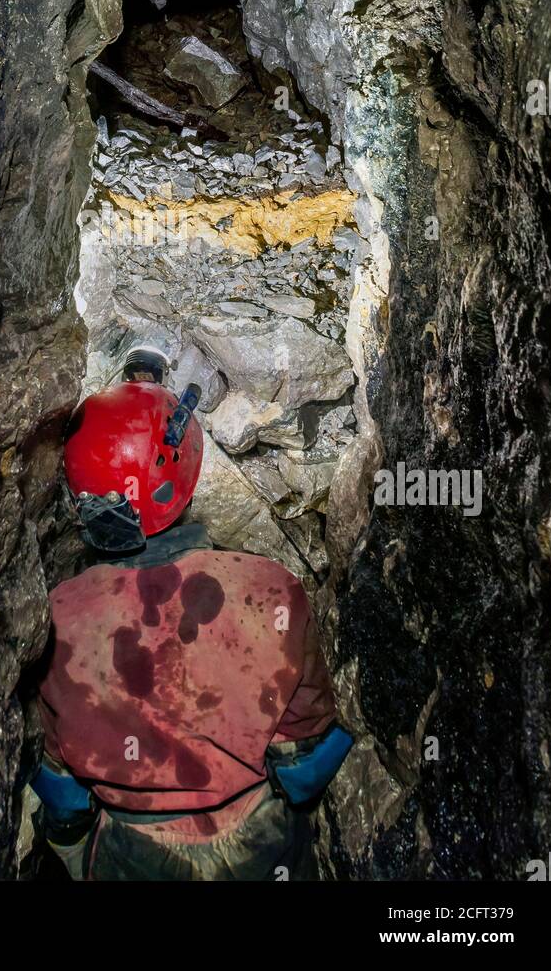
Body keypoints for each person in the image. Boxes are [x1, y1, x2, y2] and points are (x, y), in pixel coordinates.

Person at [31, 350, 352, 881]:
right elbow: (306, 760)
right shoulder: (272, 591)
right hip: (258, 844)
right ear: (182, 477)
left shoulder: (56, 619)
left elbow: (63, 793)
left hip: (131, 855)